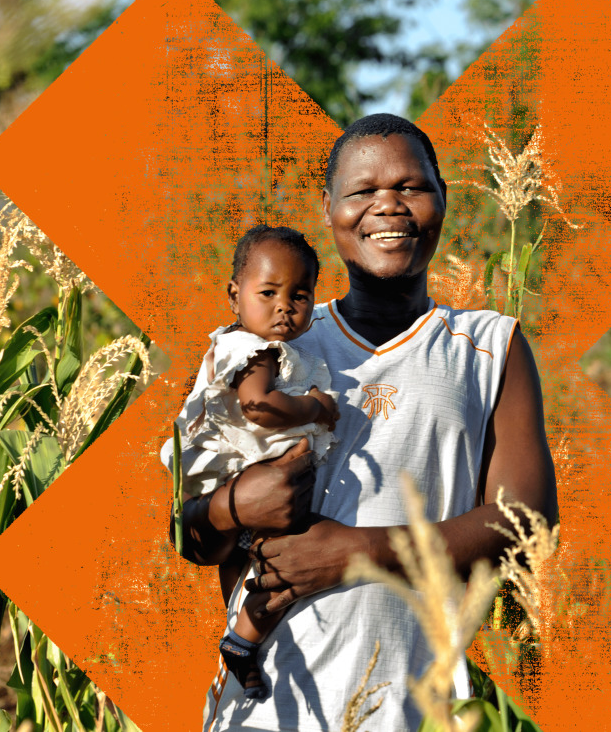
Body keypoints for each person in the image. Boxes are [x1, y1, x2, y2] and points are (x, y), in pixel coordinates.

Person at [169, 114, 559, 732]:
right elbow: (189, 535)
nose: (389, 206)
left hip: (421, 706)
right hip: (271, 704)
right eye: (363, 191)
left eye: (411, 187)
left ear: (442, 201)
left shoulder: (490, 346)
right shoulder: (262, 342)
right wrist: (235, 504)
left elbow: (525, 522)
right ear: (328, 209)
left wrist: (354, 552)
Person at [171, 224, 341, 701]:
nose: (284, 307)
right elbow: (258, 406)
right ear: (234, 295)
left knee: (246, 561)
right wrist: (315, 408)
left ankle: (239, 635)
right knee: (284, 555)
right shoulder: (255, 351)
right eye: (268, 293)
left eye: (300, 296)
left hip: (222, 473)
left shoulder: (234, 341)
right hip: (243, 469)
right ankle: (244, 639)